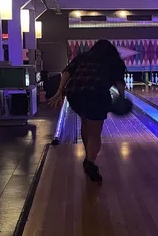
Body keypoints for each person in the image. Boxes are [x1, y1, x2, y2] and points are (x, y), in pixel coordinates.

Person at [49, 39, 126, 182]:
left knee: (85, 123)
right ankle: (90, 162)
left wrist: (60, 91)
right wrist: (122, 98)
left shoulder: (83, 57)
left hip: (74, 93)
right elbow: (120, 83)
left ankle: (88, 156)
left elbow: (66, 72)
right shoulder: (114, 61)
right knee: (95, 133)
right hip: (97, 94)